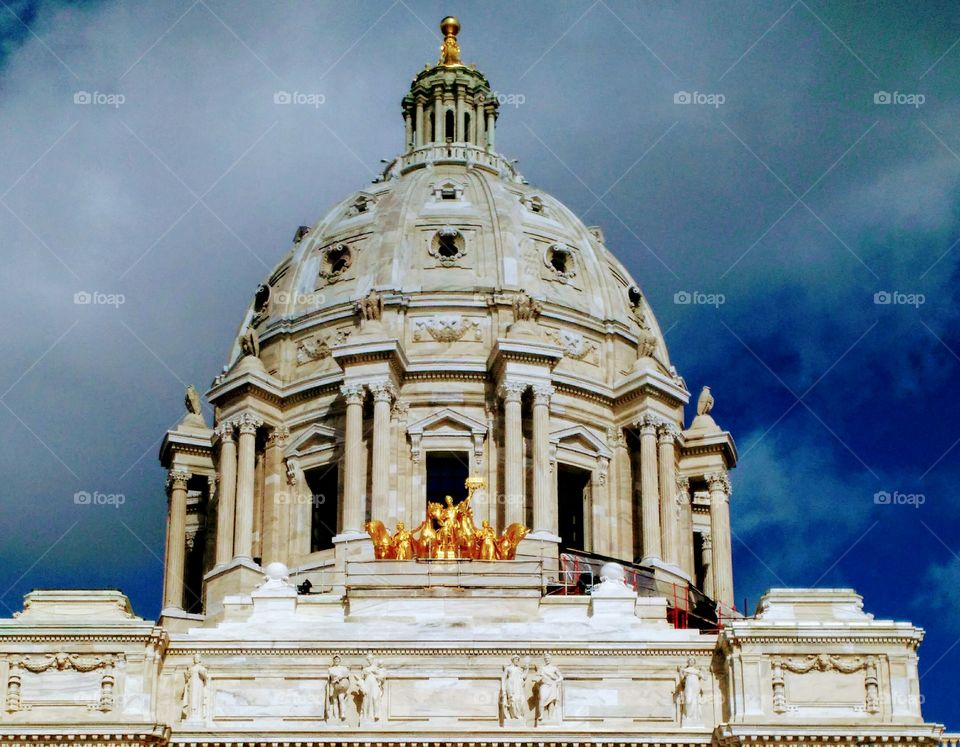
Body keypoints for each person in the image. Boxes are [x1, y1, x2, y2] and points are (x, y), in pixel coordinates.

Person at [535, 653, 563, 723]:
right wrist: (538, 679)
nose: (547, 660)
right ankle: (541, 715)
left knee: (551, 701)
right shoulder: (542, 668)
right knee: (542, 699)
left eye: (548, 659)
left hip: (552, 685)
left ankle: (550, 717)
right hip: (544, 685)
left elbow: (561, 677)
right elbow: (537, 676)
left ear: (550, 659)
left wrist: (556, 681)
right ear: (544, 660)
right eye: (546, 659)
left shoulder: (554, 668)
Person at [359, 653, 386, 722]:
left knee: (374, 698)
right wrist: (361, 686)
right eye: (368, 659)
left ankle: (376, 714)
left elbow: (382, 678)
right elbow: (361, 679)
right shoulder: (365, 669)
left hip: (375, 684)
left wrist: (376, 674)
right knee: (366, 700)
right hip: (367, 684)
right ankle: (366, 715)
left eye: (370, 659)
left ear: (373, 659)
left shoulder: (377, 668)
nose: (369, 660)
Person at [326, 655, 353, 722]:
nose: (336, 661)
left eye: (338, 659)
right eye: (335, 660)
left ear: (340, 660)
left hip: (341, 685)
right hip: (334, 685)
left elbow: (347, 675)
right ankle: (336, 716)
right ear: (333, 661)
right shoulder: (331, 669)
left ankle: (342, 714)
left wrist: (339, 677)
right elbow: (332, 674)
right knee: (335, 701)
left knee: (341, 699)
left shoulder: (343, 668)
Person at [500, 654, 527, 721]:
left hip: (518, 686)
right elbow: (503, 679)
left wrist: (527, 669)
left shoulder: (519, 669)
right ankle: (514, 716)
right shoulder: (508, 668)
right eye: (515, 659)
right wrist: (503, 690)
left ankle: (519, 715)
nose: (517, 661)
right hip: (511, 686)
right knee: (513, 700)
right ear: (512, 660)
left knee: (521, 700)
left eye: (518, 660)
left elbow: (524, 677)